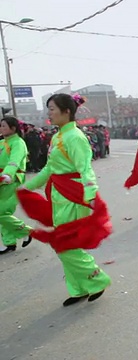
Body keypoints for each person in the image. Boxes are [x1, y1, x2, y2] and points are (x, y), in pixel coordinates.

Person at [22, 94, 111, 306]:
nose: (49, 113)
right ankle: (78, 287)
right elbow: (50, 168)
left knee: (65, 243)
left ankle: (96, 278)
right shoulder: (58, 137)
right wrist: (29, 186)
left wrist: (90, 194)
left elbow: (85, 168)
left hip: (73, 195)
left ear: (66, 111)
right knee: (62, 244)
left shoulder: (76, 137)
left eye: (52, 109)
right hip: (58, 195)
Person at [0, 116, 32, 254]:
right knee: (4, 212)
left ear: (13, 128)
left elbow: (15, 160)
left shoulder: (18, 143)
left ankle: (26, 231)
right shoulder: (2, 143)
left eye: (4, 126)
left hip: (12, 179)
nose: (1, 128)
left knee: (2, 212)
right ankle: (9, 242)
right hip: (2, 179)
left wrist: (8, 174)